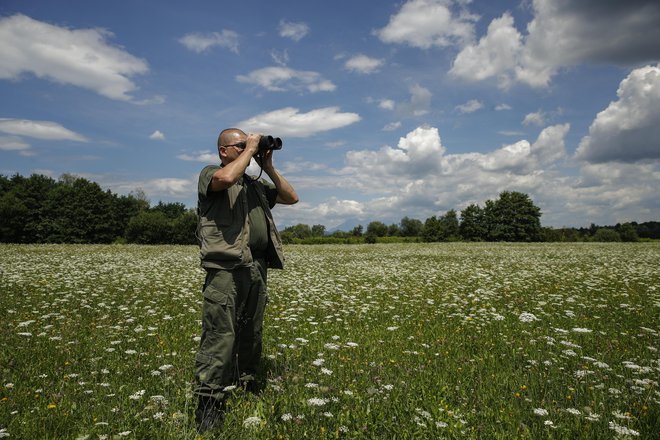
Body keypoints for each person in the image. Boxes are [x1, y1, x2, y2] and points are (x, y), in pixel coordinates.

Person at [194, 128, 298, 433]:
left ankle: (246, 385)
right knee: (220, 335)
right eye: (239, 145)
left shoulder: (253, 185)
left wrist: (269, 167)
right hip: (226, 270)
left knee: (251, 332)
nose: (246, 149)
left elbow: (291, 197)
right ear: (224, 150)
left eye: (247, 145)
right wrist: (251, 149)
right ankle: (209, 403)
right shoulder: (212, 174)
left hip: (256, 266)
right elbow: (226, 179)